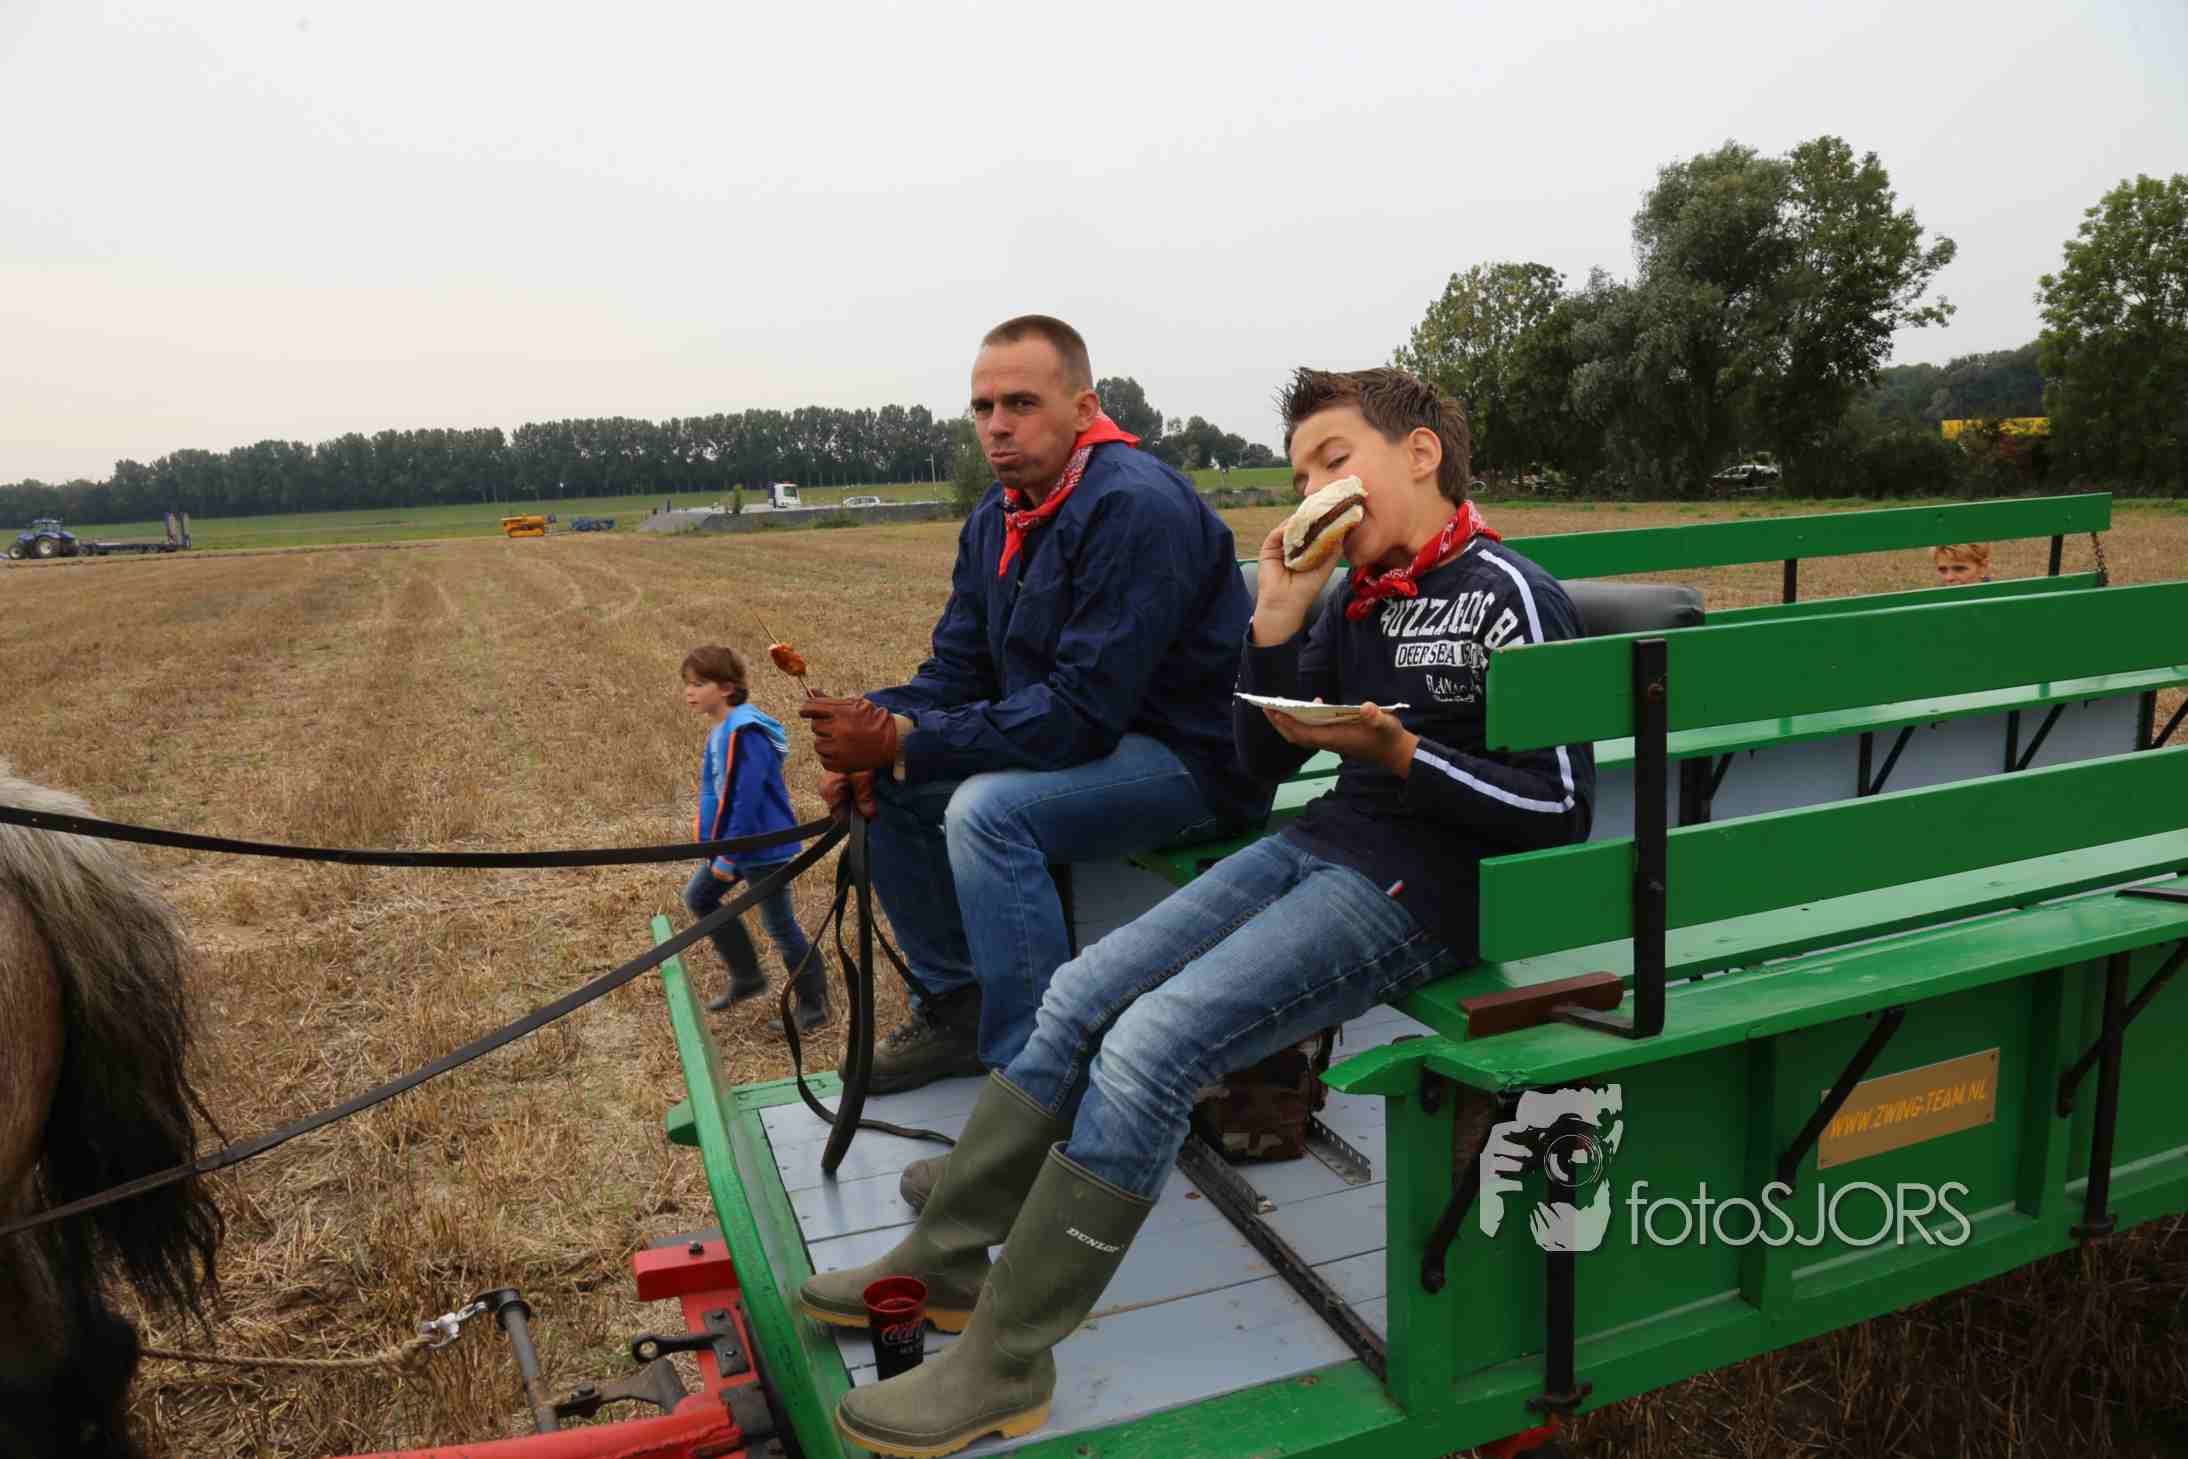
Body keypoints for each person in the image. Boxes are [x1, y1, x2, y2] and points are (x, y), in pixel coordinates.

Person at [796, 366, 1597, 1459]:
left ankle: (1008, 1356)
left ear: (1420, 455)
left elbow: (1559, 806)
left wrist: (1404, 752)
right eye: (1301, 472)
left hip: (1428, 888)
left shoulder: (1510, 592)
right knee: (1081, 991)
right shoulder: (1354, 597)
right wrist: (1275, 621)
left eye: (1333, 459)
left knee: (1151, 1047)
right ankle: (944, 1258)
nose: (1312, 487)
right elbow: (1257, 762)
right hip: (1325, 843)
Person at [793, 315, 1268, 1097]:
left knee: (987, 812)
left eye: (1021, 403)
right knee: (896, 785)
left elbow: (1081, 713)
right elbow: (960, 669)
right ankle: (957, 1004)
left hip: (1194, 761)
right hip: (1097, 749)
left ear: (1084, 408)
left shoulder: (1134, 507)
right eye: (983, 407)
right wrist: (874, 720)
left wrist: (906, 735)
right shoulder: (999, 515)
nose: (997, 425)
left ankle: (1036, 1079)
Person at [680, 646, 829, 1034]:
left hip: (761, 846)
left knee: (780, 926)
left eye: (699, 684)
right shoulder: (721, 730)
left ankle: (814, 1004)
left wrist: (729, 854)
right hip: (735, 845)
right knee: (699, 897)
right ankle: (747, 976)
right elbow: (715, 792)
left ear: (726, 688)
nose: (690, 692)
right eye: (688, 684)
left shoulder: (747, 733)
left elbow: (747, 799)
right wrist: (712, 844)